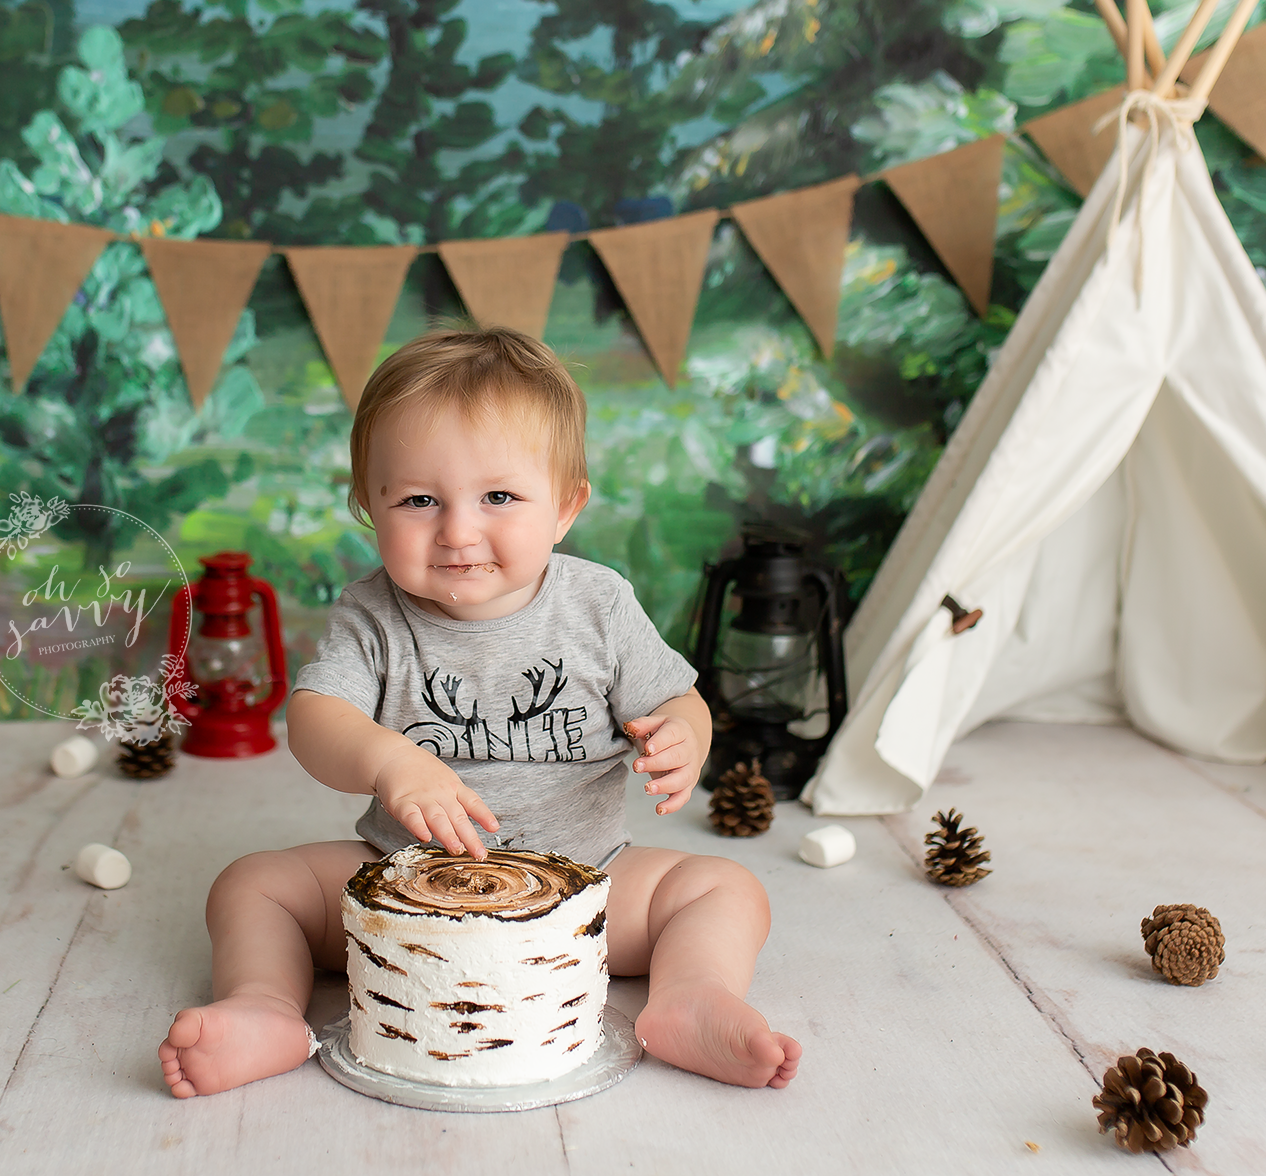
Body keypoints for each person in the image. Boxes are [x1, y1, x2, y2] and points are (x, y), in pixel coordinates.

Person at [158, 325, 801, 1097]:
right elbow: (314, 718)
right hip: (402, 889)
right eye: (419, 499)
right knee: (254, 884)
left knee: (723, 888)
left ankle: (692, 996)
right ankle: (263, 1006)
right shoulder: (373, 614)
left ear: (565, 506)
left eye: (498, 496)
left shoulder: (598, 605)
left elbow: (674, 696)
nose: (458, 530)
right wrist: (388, 760)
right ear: (369, 505)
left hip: (588, 889)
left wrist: (684, 731)